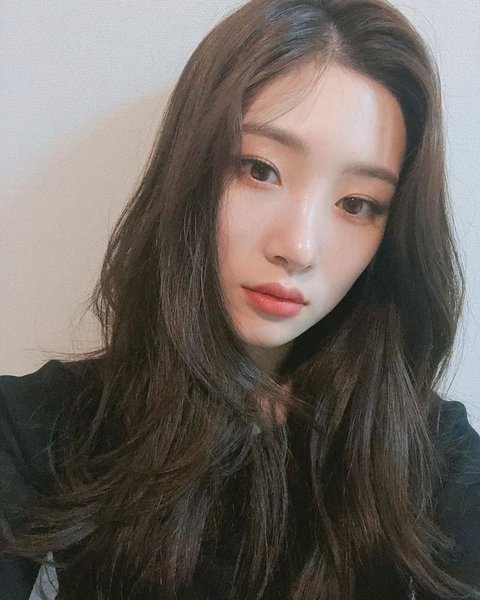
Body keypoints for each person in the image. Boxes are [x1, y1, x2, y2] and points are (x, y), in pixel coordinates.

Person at [1, 0, 479, 598]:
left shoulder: (433, 458)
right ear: (189, 167)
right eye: (259, 169)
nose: (298, 247)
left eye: (357, 204)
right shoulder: (37, 427)